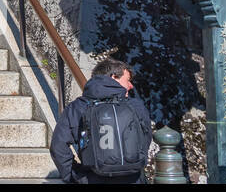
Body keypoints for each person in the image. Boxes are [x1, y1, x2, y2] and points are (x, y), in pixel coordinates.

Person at [50, 56, 153, 184]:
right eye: (127, 80)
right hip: (133, 179)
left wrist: (75, 176)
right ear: (113, 77)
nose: (131, 86)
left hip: (92, 178)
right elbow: (145, 139)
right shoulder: (135, 106)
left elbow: (58, 146)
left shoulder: (77, 107)